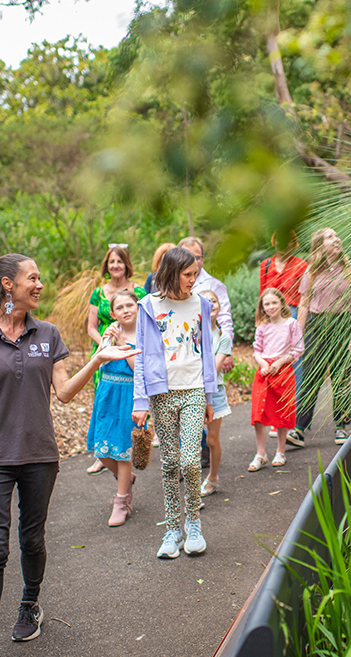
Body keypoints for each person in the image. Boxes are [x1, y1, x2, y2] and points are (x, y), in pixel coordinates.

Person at [0, 254, 138, 657]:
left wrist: (98, 360)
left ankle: (30, 605)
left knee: (32, 539)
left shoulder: (47, 334)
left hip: (39, 457)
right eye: (32, 278)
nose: (39, 284)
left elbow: (64, 393)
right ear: (7, 286)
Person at [133, 247, 217, 559]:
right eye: (188, 275)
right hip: (161, 393)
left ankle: (193, 522)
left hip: (194, 389)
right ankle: (172, 528)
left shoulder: (202, 303)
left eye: (196, 274)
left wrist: (210, 396)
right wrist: (140, 400)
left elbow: (206, 350)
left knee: (191, 461)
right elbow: (141, 357)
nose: (194, 280)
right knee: (169, 462)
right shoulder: (149, 305)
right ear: (171, 273)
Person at [287, 228, 351, 447]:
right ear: (320, 246)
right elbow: (303, 304)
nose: (336, 239)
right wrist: (298, 338)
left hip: (343, 324)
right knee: (311, 376)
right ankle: (299, 429)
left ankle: (342, 427)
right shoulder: (311, 272)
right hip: (316, 324)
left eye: (337, 236)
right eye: (330, 237)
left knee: (341, 377)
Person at [85, 244, 147, 475]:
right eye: (111, 262)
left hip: (131, 347)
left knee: (124, 409)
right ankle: (104, 454)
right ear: (107, 266)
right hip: (105, 348)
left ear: (126, 264)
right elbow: (91, 326)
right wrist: (105, 341)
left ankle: (122, 453)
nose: (115, 265)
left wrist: (125, 343)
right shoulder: (98, 293)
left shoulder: (138, 292)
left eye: (119, 261)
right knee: (105, 403)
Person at [85, 289, 141, 526]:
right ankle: (125, 479)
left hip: (127, 397)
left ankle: (121, 502)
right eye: (120, 307)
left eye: (130, 305)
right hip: (106, 394)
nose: (125, 310)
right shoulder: (110, 334)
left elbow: (139, 369)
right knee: (101, 449)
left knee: (122, 450)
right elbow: (98, 360)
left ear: (138, 307)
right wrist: (107, 341)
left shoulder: (143, 335)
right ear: (112, 312)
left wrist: (123, 344)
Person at [178, 236, 234, 467]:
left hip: (211, 350)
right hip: (182, 359)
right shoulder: (169, 284)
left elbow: (225, 317)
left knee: (209, 420)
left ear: (203, 258)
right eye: (188, 256)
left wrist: (227, 351)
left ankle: (206, 456)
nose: (193, 261)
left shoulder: (214, 285)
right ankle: (188, 460)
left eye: (197, 256)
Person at [259, 230, 309, 443]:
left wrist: (299, 327)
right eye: (278, 240)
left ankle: (289, 421)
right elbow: (262, 295)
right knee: (271, 371)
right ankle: (274, 418)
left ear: (293, 243)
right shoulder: (266, 265)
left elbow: (305, 296)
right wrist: (260, 324)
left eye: (287, 241)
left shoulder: (301, 265)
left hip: (291, 317)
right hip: (270, 320)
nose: (282, 244)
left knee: (292, 371)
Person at [248, 288, 304, 471]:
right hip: (265, 372)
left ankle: (280, 451)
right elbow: (257, 350)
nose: (271, 307)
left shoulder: (291, 324)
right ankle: (260, 453)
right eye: (267, 304)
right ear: (262, 307)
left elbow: (297, 349)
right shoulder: (262, 327)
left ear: (281, 303)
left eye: (274, 303)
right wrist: (263, 364)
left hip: (283, 371)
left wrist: (280, 362)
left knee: (282, 412)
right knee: (259, 414)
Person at [199, 290, 232, 496]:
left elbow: (215, 368)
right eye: (205, 301)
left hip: (214, 391)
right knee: (191, 439)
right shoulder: (191, 332)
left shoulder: (223, 337)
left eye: (214, 301)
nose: (210, 304)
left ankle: (212, 476)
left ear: (219, 307)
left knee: (211, 439)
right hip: (191, 391)